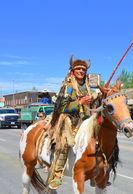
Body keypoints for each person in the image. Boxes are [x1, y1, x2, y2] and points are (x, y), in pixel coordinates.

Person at [48, 56, 98, 189]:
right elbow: (62, 107)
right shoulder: (68, 86)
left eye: (83, 69)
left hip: (86, 119)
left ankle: (97, 172)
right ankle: (57, 175)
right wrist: (80, 102)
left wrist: (94, 96)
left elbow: (93, 98)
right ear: (72, 71)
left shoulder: (87, 87)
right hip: (69, 119)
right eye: (78, 69)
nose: (81, 71)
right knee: (64, 142)